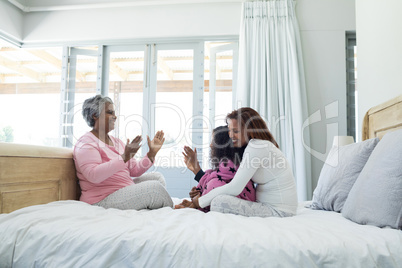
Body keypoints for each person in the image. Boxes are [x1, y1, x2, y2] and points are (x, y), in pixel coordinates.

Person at [184, 108, 298, 218]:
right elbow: (224, 178)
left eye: (236, 131)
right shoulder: (254, 146)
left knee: (218, 202)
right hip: (268, 206)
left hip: (280, 211)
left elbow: (235, 187)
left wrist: (199, 202)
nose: (231, 135)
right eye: (229, 130)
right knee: (217, 197)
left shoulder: (257, 146)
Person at [73, 95, 173, 210]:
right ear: (95, 115)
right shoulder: (86, 143)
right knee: (155, 189)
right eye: (110, 112)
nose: (115, 117)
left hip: (122, 189)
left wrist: (151, 153)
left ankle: (154, 206)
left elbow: (134, 170)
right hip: (102, 198)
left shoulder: (117, 142)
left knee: (157, 178)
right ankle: (173, 210)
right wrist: (124, 156)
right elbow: (93, 175)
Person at [176, 126, 256, 212]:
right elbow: (214, 176)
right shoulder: (226, 162)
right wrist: (199, 190)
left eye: (213, 141)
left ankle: (196, 206)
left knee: (214, 184)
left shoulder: (232, 163)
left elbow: (215, 181)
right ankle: (196, 205)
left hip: (242, 200)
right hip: (234, 199)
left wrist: (198, 172)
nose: (210, 145)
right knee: (213, 181)